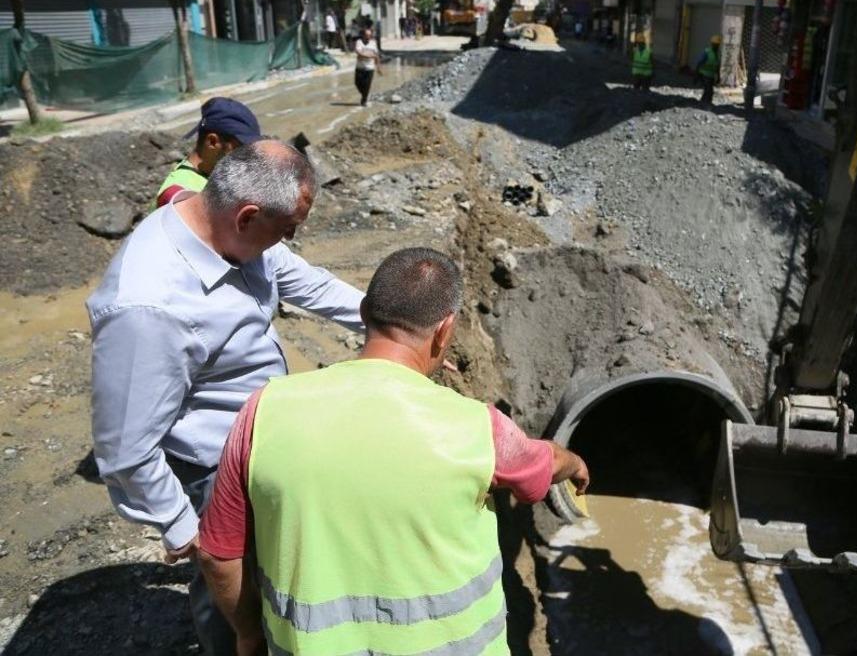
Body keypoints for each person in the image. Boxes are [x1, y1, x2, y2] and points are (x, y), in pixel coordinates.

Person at [198, 247, 590, 656]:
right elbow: (540, 465)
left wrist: (248, 633)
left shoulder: (263, 411)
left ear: (365, 312)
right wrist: (575, 462)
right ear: (445, 330)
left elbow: (218, 555)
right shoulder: (478, 428)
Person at [88, 140, 366, 656]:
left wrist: (388, 317)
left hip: (255, 442)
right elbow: (125, 447)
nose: (289, 241)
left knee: (262, 570)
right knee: (227, 596)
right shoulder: (149, 306)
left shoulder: (226, 229)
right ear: (246, 216)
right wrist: (183, 528)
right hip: (209, 470)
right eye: (286, 230)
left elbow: (307, 283)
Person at [152, 97, 262, 210]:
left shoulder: (213, 175)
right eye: (239, 149)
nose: (245, 157)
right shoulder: (178, 195)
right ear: (212, 142)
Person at [354, 27, 383, 106]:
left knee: (367, 85)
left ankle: (364, 100)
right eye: (367, 35)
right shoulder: (359, 42)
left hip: (369, 68)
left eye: (370, 35)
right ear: (363, 35)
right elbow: (359, 53)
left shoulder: (373, 43)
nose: (368, 37)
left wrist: (379, 67)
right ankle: (364, 96)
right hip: (359, 67)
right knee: (357, 83)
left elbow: (376, 56)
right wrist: (370, 55)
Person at [696, 34, 722, 105]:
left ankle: (703, 102)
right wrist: (696, 75)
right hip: (704, 74)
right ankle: (707, 103)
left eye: (717, 44)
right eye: (714, 44)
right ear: (712, 44)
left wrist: (718, 76)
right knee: (709, 90)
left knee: (708, 90)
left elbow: (718, 66)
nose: (716, 46)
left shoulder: (718, 53)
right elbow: (699, 63)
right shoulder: (707, 52)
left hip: (711, 75)